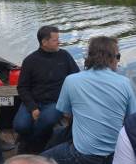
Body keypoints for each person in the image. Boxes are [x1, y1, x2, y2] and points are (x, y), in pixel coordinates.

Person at [41, 36, 136, 164]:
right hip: (116, 153)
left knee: (39, 158)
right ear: (111, 58)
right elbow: (131, 119)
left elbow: (66, 114)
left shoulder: (71, 80)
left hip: (82, 155)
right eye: (117, 57)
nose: (118, 61)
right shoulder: (125, 83)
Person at [13, 26, 80, 153]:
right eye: (55, 40)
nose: (59, 42)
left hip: (56, 102)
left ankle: (29, 146)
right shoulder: (30, 60)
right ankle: (36, 142)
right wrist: (32, 107)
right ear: (44, 42)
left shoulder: (64, 56)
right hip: (33, 101)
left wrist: (71, 104)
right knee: (20, 126)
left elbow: (77, 78)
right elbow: (22, 87)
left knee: (46, 121)